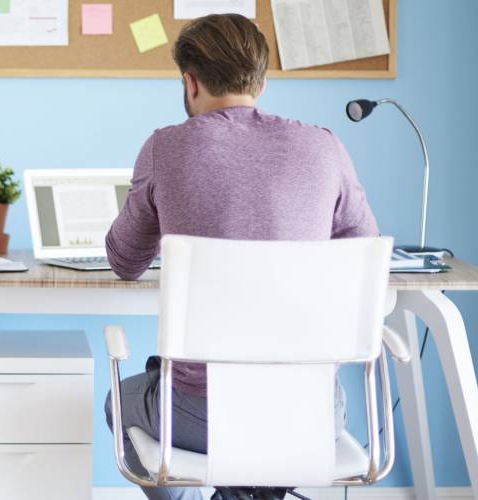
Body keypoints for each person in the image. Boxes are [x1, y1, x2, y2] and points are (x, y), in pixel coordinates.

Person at [103, 13, 380, 500]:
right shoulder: (325, 147)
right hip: (311, 414)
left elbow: (125, 261)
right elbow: (362, 255)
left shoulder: (165, 148)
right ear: (262, 81)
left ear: (190, 82)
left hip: (202, 416)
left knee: (120, 399)